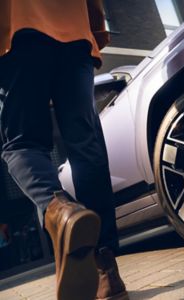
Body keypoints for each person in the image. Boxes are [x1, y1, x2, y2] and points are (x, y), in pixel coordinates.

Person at [0, 1, 129, 300]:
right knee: (87, 145)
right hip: (76, 35)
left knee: (22, 144)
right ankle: (105, 271)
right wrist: (94, 29)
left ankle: (60, 210)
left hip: (18, 29)